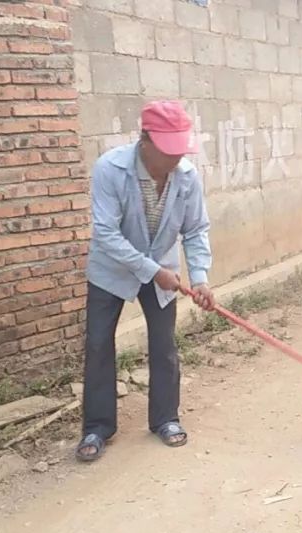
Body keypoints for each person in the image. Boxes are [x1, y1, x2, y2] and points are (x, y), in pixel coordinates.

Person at [77, 101, 216, 463]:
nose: (175, 160)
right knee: (97, 344)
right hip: (113, 270)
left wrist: (199, 277)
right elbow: (105, 233)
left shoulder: (186, 177)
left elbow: (196, 229)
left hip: (162, 271)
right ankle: (97, 427)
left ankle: (165, 419)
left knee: (164, 345)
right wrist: (153, 271)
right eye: (168, 151)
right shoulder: (110, 169)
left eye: (179, 151)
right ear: (145, 141)